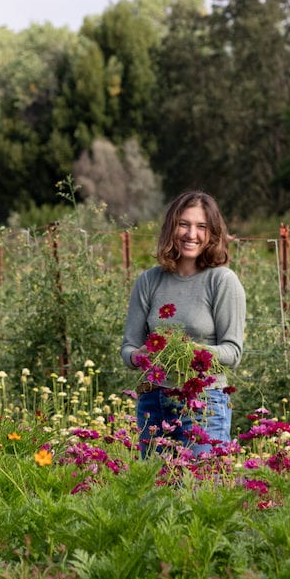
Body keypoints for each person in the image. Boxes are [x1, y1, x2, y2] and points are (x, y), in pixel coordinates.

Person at [121, 190, 246, 457]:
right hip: (154, 401)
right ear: (171, 228)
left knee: (200, 493)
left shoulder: (222, 281)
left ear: (212, 233)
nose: (192, 234)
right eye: (184, 224)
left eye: (201, 226)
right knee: (157, 494)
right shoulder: (149, 281)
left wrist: (190, 350)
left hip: (204, 404)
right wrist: (138, 356)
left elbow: (233, 353)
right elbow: (128, 348)